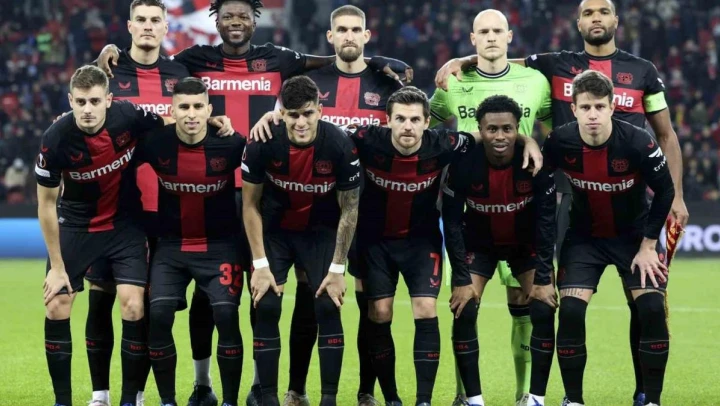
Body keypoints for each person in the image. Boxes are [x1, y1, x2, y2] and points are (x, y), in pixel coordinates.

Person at [95, 3, 411, 402]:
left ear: (254, 20)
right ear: (216, 21)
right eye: (227, 16)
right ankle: (201, 385)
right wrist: (110, 51)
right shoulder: (194, 60)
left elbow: (329, 60)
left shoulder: (278, 59)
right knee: (207, 299)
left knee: (259, 296)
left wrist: (376, 60)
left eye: (243, 15)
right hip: (210, 192)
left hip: (263, 195)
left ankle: (264, 386)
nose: (236, 22)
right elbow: (151, 59)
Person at [435, 1, 688, 403]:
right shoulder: (554, 67)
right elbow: (499, 59)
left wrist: (668, 213)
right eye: (588, 12)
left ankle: (645, 395)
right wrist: (462, 61)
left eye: (603, 11)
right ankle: (532, 397)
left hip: (633, 217)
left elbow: (667, 135)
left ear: (616, 19)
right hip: (563, 221)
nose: (596, 18)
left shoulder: (642, 75)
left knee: (646, 307)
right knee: (550, 309)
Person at [251, 85, 543, 406]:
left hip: (421, 241)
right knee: (378, 312)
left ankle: (423, 401)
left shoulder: (443, 143)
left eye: (415, 120)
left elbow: (488, 135)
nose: (407, 126)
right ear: (387, 120)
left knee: (426, 308)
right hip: (374, 242)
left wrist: (527, 140)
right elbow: (317, 124)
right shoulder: (366, 138)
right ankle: (390, 398)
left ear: (427, 122)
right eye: (400, 119)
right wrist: (274, 117)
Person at [428, 10, 552, 405]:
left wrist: (533, 143)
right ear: (472, 38)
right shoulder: (453, 80)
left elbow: (558, 129)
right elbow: (425, 127)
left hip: (521, 208)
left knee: (524, 304)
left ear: (510, 36)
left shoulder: (535, 81)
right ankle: (464, 395)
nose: (492, 37)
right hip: (471, 210)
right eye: (483, 31)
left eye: (498, 30)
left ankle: (524, 393)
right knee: (463, 302)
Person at [284, 5, 402, 406]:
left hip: (371, 209)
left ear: (366, 36)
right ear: (330, 36)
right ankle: (297, 389)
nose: (349, 35)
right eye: (341, 29)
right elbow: (287, 123)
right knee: (309, 297)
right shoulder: (311, 84)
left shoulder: (386, 85)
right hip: (318, 212)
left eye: (356, 29)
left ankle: (366, 391)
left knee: (369, 304)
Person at [36, 65, 168, 406]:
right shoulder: (55, 139)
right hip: (77, 226)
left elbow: (170, 123)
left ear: (109, 100)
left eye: (95, 101)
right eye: (80, 102)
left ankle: (129, 400)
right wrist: (57, 267)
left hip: (125, 225)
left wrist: (212, 122)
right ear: (70, 101)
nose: (87, 109)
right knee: (57, 304)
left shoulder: (128, 115)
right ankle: (62, 401)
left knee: (133, 305)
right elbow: (46, 205)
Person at [542, 70, 673, 406]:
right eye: (585, 107)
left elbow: (665, 191)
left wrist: (648, 245)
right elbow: (540, 187)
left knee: (652, 308)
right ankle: (573, 400)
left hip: (635, 238)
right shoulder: (559, 141)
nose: (593, 115)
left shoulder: (638, 142)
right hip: (584, 239)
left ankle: (651, 399)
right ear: (573, 109)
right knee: (570, 311)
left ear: (612, 107)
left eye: (600, 106)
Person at [81, 2, 190, 405]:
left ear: (165, 27)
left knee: (144, 305)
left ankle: (137, 395)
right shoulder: (110, 70)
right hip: (112, 207)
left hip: (164, 207)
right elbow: (85, 107)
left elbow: (193, 120)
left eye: (154, 20)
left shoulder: (180, 74)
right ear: (129, 26)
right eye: (140, 20)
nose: (147, 26)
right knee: (100, 297)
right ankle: (100, 394)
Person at [242, 76, 361, 406]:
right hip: (276, 231)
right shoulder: (262, 142)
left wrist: (337, 269)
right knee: (266, 303)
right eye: (293, 115)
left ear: (320, 111)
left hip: (319, 232)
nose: (301, 122)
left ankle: (327, 400)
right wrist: (260, 265)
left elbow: (350, 208)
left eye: (307, 113)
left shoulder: (339, 144)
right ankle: (267, 398)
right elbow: (249, 205)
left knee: (327, 304)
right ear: (281, 114)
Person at [442, 95, 557, 406]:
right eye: (491, 129)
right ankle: (473, 400)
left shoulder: (535, 162)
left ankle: (534, 398)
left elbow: (547, 221)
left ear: (517, 129)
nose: (500, 136)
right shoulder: (463, 162)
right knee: (464, 308)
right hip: (478, 245)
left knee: (543, 307)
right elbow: (451, 222)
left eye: (507, 129)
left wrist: (544, 277)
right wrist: (461, 279)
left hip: (524, 244)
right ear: (480, 130)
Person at [139, 77, 246, 406]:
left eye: (198, 106)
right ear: (172, 111)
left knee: (226, 316)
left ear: (209, 110)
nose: (191, 114)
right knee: (158, 317)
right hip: (171, 247)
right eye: (183, 107)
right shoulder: (155, 143)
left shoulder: (232, 144)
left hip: (221, 246)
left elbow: (265, 169)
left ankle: (229, 402)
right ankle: (168, 401)